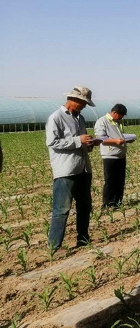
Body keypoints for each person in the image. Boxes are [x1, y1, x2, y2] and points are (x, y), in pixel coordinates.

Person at [45, 86, 96, 250]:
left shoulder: (80, 118)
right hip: (66, 171)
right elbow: (52, 142)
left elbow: (81, 142)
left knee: (85, 206)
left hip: (83, 169)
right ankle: (54, 247)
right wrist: (78, 140)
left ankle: (83, 239)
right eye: (83, 103)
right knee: (61, 209)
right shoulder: (56, 117)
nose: (85, 106)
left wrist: (89, 143)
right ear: (73, 99)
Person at [94, 104, 132, 209]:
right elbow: (101, 138)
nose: (121, 118)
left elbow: (119, 136)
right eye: (121, 115)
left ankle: (118, 202)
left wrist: (126, 140)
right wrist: (116, 141)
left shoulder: (117, 122)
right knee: (110, 181)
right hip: (110, 156)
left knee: (120, 181)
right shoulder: (102, 121)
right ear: (114, 113)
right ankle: (108, 203)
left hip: (121, 155)